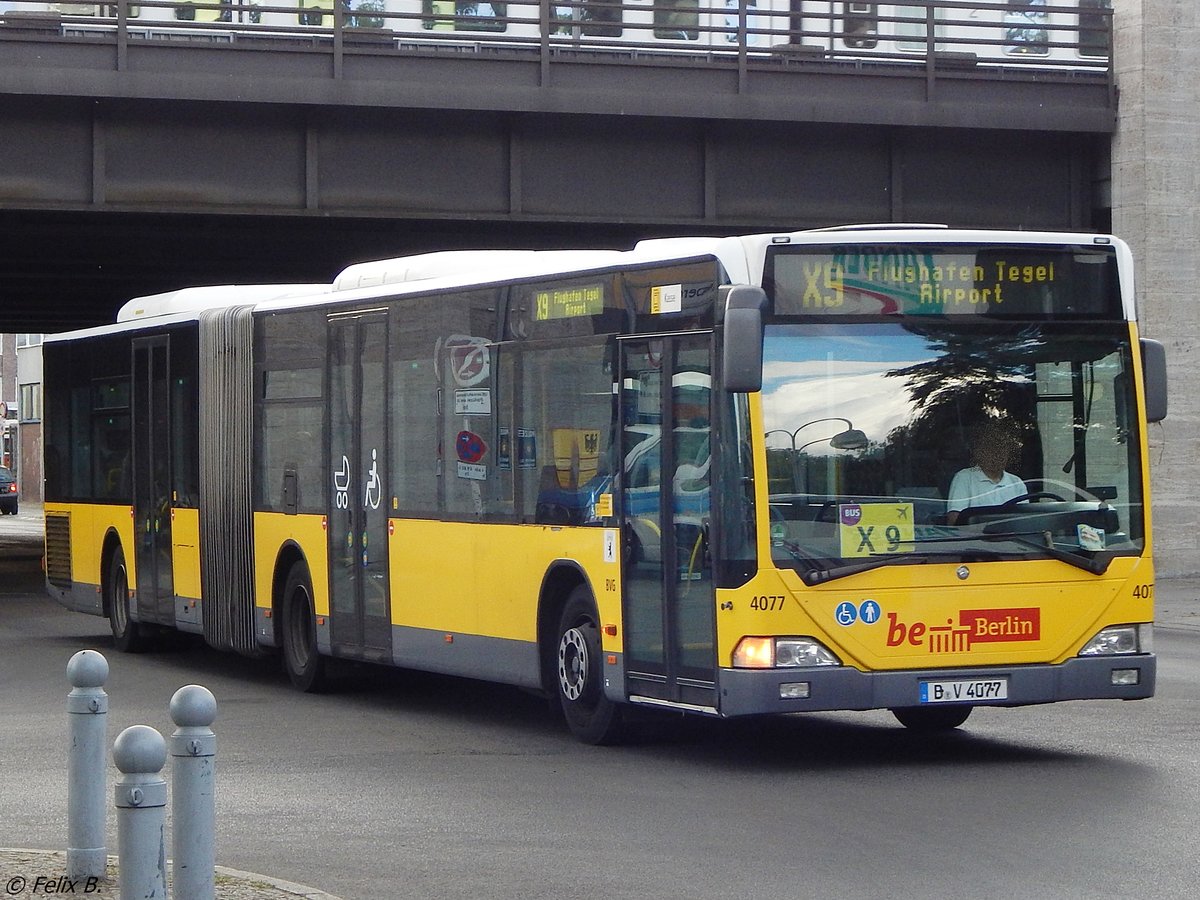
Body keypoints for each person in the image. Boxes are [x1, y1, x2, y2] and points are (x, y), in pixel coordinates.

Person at [946, 421, 1026, 525]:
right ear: (979, 453)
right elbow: (954, 521)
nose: (997, 455)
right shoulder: (964, 478)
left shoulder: (1016, 482)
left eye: (1002, 449)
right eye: (991, 449)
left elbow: (1025, 520)